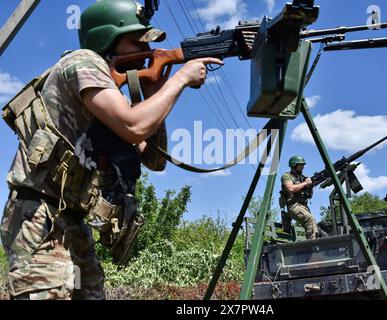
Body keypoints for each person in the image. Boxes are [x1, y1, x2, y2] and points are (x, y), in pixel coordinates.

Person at [0, 0, 222, 300]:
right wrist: (181, 78)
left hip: (72, 219)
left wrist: (153, 92)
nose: (148, 50)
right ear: (107, 38)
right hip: (39, 215)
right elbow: (133, 127)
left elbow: (155, 159)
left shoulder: (109, 95)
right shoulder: (82, 62)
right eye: (138, 40)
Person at [280, 156, 319, 240]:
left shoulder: (302, 178)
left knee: (314, 226)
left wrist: (310, 186)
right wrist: (305, 183)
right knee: (310, 219)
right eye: (301, 164)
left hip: (304, 206)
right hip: (293, 206)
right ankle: (313, 243)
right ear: (294, 165)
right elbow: (291, 188)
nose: (303, 166)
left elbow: (309, 196)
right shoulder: (286, 176)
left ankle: (314, 241)